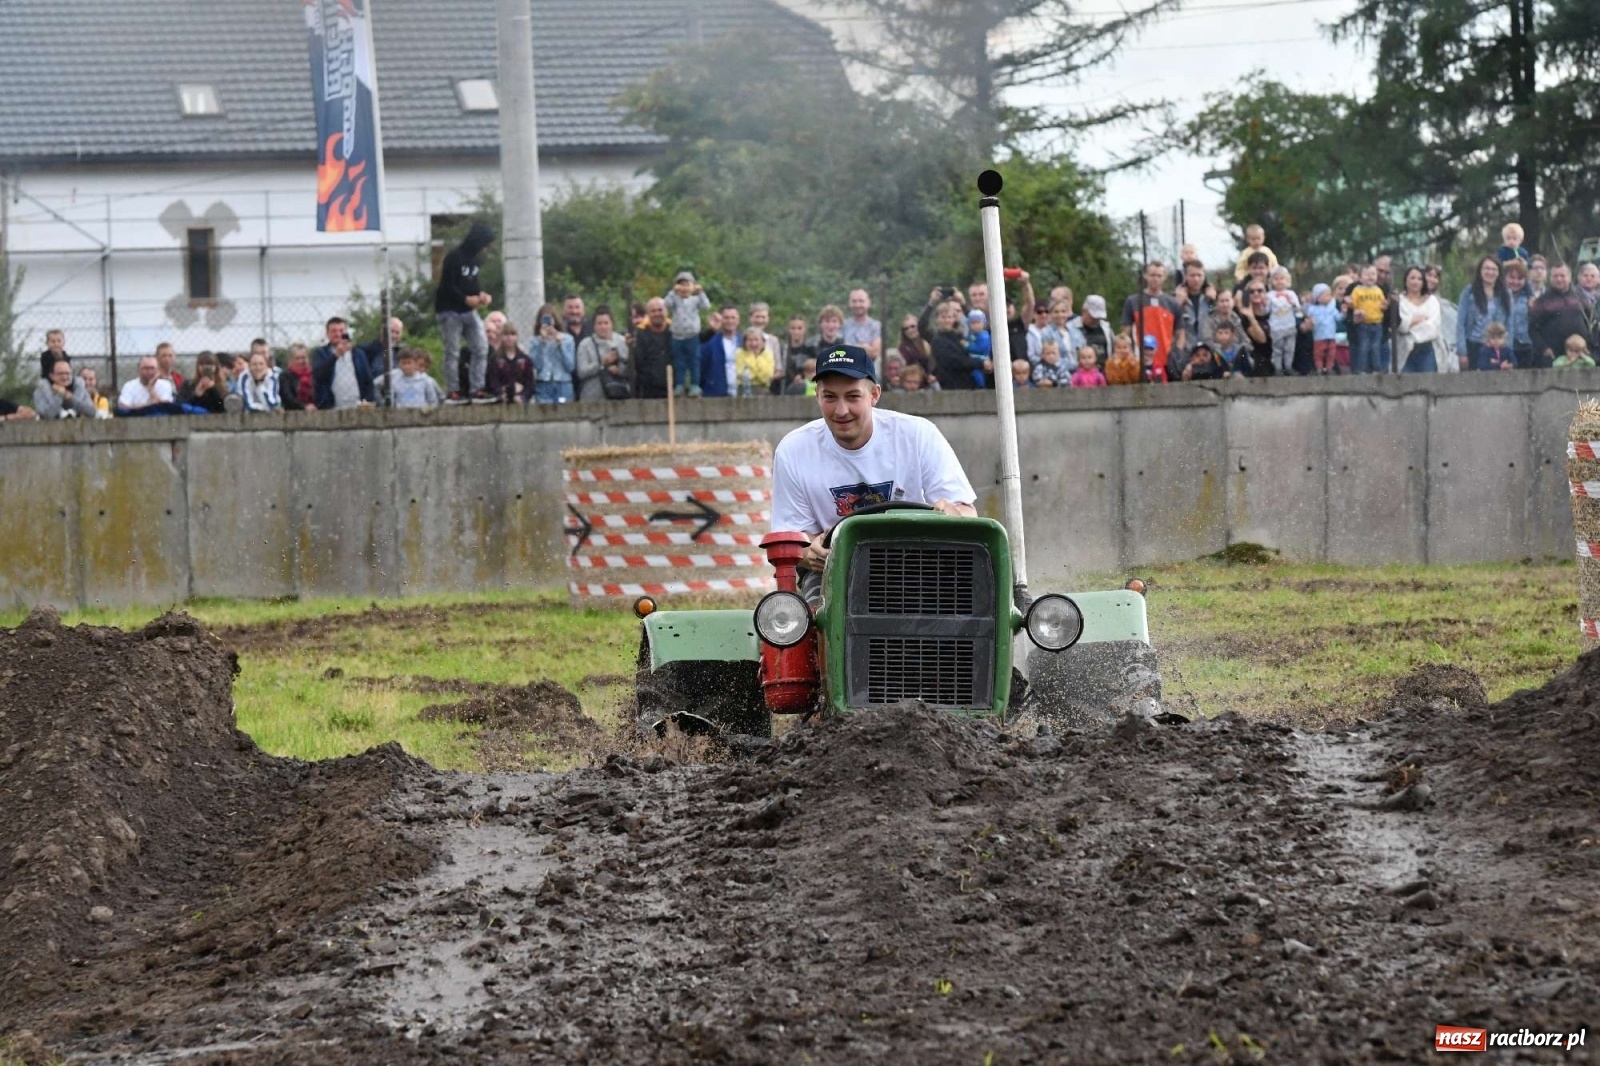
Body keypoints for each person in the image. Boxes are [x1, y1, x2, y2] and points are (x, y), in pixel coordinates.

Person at [769, 343, 977, 592]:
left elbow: (968, 513)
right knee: (806, 616)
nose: (841, 410)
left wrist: (953, 514)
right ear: (817, 396)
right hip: (836, 571)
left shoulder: (918, 434)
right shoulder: (793, 451)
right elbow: (791, 539)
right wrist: (808, 549)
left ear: (875, 395)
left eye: (853, 396)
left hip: (919, 564)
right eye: (830, 397)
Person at [434, 221, 494, 402]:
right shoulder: (454, 257)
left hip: (468, 311)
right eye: (486, 244)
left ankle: (477, 388)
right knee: (453, 351)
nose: (486, 248)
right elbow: (447, 286)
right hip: (450, 311)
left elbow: (472, 284)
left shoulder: (475, 260)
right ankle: (453, 390)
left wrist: (481, 295)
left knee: (481, 347)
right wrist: (465, 299)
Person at [1122, 261, 1180, 380]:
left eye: (1159, 275)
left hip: (1166, 361)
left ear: (1164, 277)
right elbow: (1125, 333)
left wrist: (1177, 354)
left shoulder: (1172, 303)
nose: (1155, 279)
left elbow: (1180, 333)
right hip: (1140, 361)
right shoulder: (1133, 301)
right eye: (1152, 275)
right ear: (1145, 276)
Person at [1530, 264, 1595, 367]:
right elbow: (1532, 329)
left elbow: (1591, 322)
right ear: (1550, 278)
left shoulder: (1581, 298)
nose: (1559, 279)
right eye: (1555, 276)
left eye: (1562, 276)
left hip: (1581, 355)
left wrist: (1590, 347)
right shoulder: (1542, 301)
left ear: (1569, 277)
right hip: (1554, 356)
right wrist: (1544, 348)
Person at [1457, 256, 1512, 372]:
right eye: (1486, 268)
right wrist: (1462, 352)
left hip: (1496, 347)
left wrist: (1508, 351)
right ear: (1480, 271)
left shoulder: (1505, 294)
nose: (1490, 272)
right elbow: (1460, 324)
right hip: (1473, 345)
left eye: (1494, 269)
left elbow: (1509, 325)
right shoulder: (1469, 292)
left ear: (1498, 273)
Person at [664, 271, 710, 396]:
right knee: (679, 362)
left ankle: (695, 384)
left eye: (687, 284)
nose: (684, 288)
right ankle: (679, 384)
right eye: (681, 285)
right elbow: (666, 304)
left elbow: (706, 306)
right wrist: (673, 292)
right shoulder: (675, 299)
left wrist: (700, 292)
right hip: (677, 336)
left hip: (692, 335)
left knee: (694, 361)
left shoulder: (695, 300)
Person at [313, 320, 375, 409]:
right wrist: (335, 356)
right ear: (327, 334)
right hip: (332, 407)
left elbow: (368, 380)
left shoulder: (358, 354)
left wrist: (367, 400)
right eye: (334, 331)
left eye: (341, 331)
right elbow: (318, 376)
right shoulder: (321, 353)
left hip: (357, 405)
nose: (338, 334)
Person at [576, 306, 631, 401]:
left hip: (618, 395)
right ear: (594, 326)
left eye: (606, 323)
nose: (603, 327)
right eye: (599, 323)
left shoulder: (622, 342)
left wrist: (619, 370)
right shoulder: (585, 344)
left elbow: (630, 368)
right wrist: (602, 364)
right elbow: (581, 372)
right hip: (593, 397)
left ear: (612, 324)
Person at [1394, 266, 1442, 374]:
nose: (1415, 282)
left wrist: (1410, 324)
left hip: (1427, 350)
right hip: (1405, 350)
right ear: (1405, 280)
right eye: (1412, 278)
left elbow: (1433, 328)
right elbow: (1401, 325)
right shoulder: (1400, 301)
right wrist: (1417, 320)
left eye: (1419, 279)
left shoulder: (1432, 301)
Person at [1346, 266, 1389, 374]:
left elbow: (1383, 304)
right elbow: (1353, 304)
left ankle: (1377, 369)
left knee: (1375, 346)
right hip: (1363, 323)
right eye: (1366, 274)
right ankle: (1361, 369)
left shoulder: (1378, 290)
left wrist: (1385, 306)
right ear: (1360, 278)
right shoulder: (1357, 290)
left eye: (1373, 274)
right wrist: (1351, 305)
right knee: (1364, 346)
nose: (1370, 277)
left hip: (1377, 322)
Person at [529, 306, 577, 403]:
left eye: (550, 318)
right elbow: (536, 366)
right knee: (544, 414)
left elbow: (570, 366)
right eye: (544, 319)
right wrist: (541, 343)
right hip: (544, 383)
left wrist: (560, 345)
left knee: (564, 413)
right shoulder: (535, 341)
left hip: (563, 383)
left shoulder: (567, 339)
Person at [697, 303, 742, 398]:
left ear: (738, 320)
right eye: (726, 318)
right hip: (716, 393)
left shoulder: (745, 342)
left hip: (741, 393)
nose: (730, 321)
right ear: (721, 320)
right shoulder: (710, 342)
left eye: (733, 318)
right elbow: (701, 367)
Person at [33, 356, 100, 419]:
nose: (65, 377)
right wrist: (59, 395)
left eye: (67, 373)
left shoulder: (79, 387)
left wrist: (70, 397)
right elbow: (47, 415)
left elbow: (92, 412)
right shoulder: (42, 390)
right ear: (52, 375)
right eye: (61, 373)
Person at [632, 297, 673, 400]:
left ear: (666, 311)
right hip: (648, 391)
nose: (657, 314)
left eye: (660, 310)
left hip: (673, 388)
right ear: (648, 314)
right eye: (653, 311)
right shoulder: (640, 335)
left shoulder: (676, 332)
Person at [1172, 260, 1215, 356]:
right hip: (1185, 352)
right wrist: (1177, 304)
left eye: (1199, 275)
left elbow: (1216, 318)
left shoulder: (1210, 298)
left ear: (1204, 276)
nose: (1196, 279)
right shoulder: (1175, 299)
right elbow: (1170, 323)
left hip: (1208, 352)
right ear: (1186, 277)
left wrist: (1213, 301)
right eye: (1192, 275)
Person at [1265, 267, 1302, 375]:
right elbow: (1267, 310)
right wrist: (1265, 302)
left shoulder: (1291, 294)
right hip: (1276, 327)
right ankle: (1278, 368)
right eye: (1276, 279)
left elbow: (1298, 310)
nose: (1279, 281)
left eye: (1282, 278)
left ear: (1287, 280)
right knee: (1277, 349)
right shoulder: (1270, 295)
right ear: (1271, 281)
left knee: (1289, 349)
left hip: (1290, 326)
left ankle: (1288, 367)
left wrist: (1292, 303)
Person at [488, 323, 535, 403]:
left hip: (520, 401)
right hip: (501, 402)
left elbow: (530, 384)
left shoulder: (525, 359)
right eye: (506, 334)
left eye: (512, 334)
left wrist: (523, 396)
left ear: (517, 337)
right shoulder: (495, 359)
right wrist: (501, 392)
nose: (509, 337)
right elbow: (492, 381)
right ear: (501, 337)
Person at [1066, 295, 1114, 369]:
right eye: (1093, 316)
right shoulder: (1070, 328)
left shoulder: (1106, 328)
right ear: (1084, 311)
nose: (1096, 319)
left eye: (1098, 317)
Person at [1503, 260, 1535, 368]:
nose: (1515, 282)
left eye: (1520, 278)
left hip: (1525, 344)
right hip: (1505, 345)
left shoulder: (1529, 298)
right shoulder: (1500, 297)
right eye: (1511, 278)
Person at [1305, 284, 1340, 374]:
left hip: (1331, 335)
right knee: (1319, 353)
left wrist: (1343, 312)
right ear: (1318, 298)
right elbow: (1308, 318)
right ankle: (1319, 368)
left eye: (1329, 295)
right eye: (1326, 295)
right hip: (1319, 336)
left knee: (1331, 353)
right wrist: (1310, 321)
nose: (1329, 297)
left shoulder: (1332, 308)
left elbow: (1339, 318)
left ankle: (1329, 368)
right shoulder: (1312, 309)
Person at [842, 289, 882, 364]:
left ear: (868, 303)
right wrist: (864, 348)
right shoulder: (843, 325)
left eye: (861, 301)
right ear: (849, 303)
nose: (857, 305)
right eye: (854, 301)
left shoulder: (876, 326)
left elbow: (875, 353)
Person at [734, 326, 775, 396]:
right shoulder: (739, 353)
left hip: (763, 389)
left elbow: (766, 377)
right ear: (744, 342)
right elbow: (744, 375)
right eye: (749, 340)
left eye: (756, 340)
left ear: (762, 342)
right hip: (743, 389)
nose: (753, 343)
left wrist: (758, 357)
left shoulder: (768, 354)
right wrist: (752, 356)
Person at [282, 343, 315, 409]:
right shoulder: (286, 376)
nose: (301, 361)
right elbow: (287, 397)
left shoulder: (314, 374)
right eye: (297, 358)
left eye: (303, 357)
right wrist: (304, 407)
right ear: (291, 360)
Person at [965, 309, 993, 388]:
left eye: (978, 322)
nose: (975, 325)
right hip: (972, 359)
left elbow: (981, 348)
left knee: (977, 374)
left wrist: (967, 346)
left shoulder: (984, 335)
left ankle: (981, 387)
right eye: (973, 323)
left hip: (981, 358)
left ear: (983, 323)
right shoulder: (971, 335)